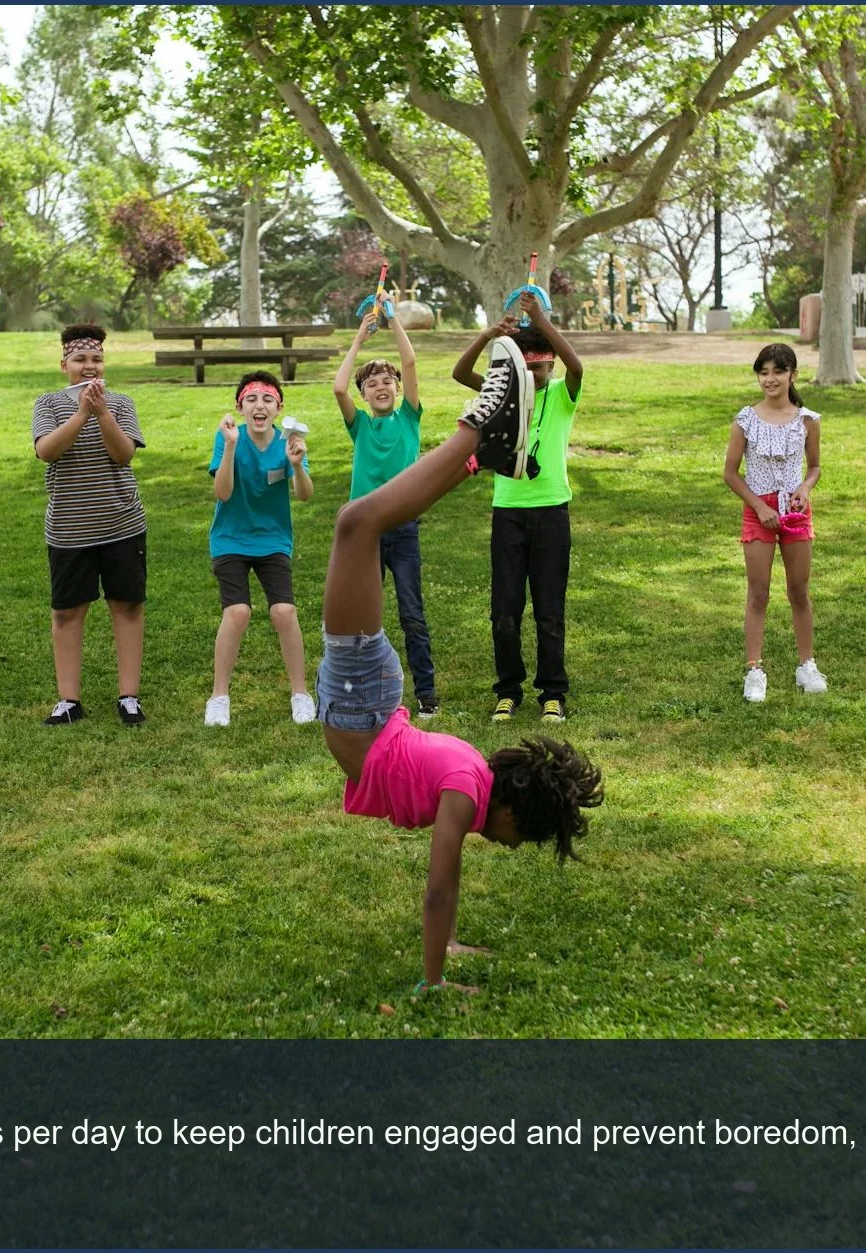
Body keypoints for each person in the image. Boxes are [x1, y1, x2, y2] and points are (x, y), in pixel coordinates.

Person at [319, 336, 603, 994]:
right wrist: (435, 976)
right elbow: (440, 886)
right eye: (520, 838)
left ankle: (481, 452)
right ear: (510, 811)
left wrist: (448, 940)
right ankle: (479, 428)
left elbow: (445, 885)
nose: (507, 847)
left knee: (363, 522)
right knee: (357, 523)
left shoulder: (470, 774)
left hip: (373, 701)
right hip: (362, 698)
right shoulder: (466, 791)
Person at [453, 292, 584, 725]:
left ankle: (553, 693)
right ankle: (507, 691)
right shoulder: (507, 396)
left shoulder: (563, 396)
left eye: (543, 366)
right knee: (504, 611)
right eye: (528, 368)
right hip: (507, 512)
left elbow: (577, 366)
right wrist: (489, 336)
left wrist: (541, 320)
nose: (537, 373)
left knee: (549, 610)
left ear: (551, 365)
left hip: (551, 513)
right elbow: (460, 373)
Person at [30, 324, 148, 726]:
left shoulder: (121, 403)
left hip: (122, 524)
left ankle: (128, 696)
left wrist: (102, 413)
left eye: (96, 359)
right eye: (80, 359)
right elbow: (47, 451)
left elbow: (123, 455)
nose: (89, 366)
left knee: (127, 606)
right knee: (67, 612)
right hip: (68, 530)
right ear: (65, 364)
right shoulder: (48, 404)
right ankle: (69, 700)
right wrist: (82, 412)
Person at [332, 306, 441, 718]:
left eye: (387, 381)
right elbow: (338, 389)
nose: (381, 387)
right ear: (365, 395)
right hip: (366, 534)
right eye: (372, 383)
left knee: (412, 613)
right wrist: (360, 337)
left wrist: (393, 321)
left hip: (404, 529)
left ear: (397, 389)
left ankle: (426, 692)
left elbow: (410, 361)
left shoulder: (409, 419)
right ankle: (361, 691)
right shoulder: (358, 425)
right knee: (362, 617)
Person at [206, 372, 317, 727]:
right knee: (237, 612)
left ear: (278, 408)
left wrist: (297, 466)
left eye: (268, 399)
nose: (260, 405)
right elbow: (222, 493)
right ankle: (219, 697)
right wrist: (231, 446)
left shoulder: (289, 442)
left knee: (284, 611)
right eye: (252, 399)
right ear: (240, 406)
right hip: (230, 538)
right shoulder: (228, 437)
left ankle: (300, 694)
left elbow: (304, 495)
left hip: (272, 539)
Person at [722, 342, 826, 703]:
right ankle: (754, 669)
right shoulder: (745, 420)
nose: (770, 379)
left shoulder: (808, 421)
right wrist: (759, 507)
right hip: (759, 510)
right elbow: (731, 474)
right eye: (763, 372)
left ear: (792, 375)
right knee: (759, 592)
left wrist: (805, 487)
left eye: (778, 371)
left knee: (799, 590)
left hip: (796, 511)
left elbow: (814, 467)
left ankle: (806, 664)